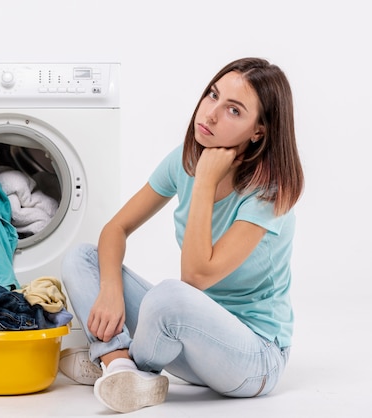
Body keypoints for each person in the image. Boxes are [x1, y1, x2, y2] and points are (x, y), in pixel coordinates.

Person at [59, 57, 304, 413]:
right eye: (212, 95)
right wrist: (111, 289)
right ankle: (120, 365)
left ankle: (113, 362)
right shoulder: (184, 160)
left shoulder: (269, 193)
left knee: (171, 294)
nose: (210, 114)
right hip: (189, 343)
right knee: (82, 257)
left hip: (254, 358)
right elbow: (116, 228)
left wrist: (205, 181)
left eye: (233, 110)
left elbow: (196, 277)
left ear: (259, 131)